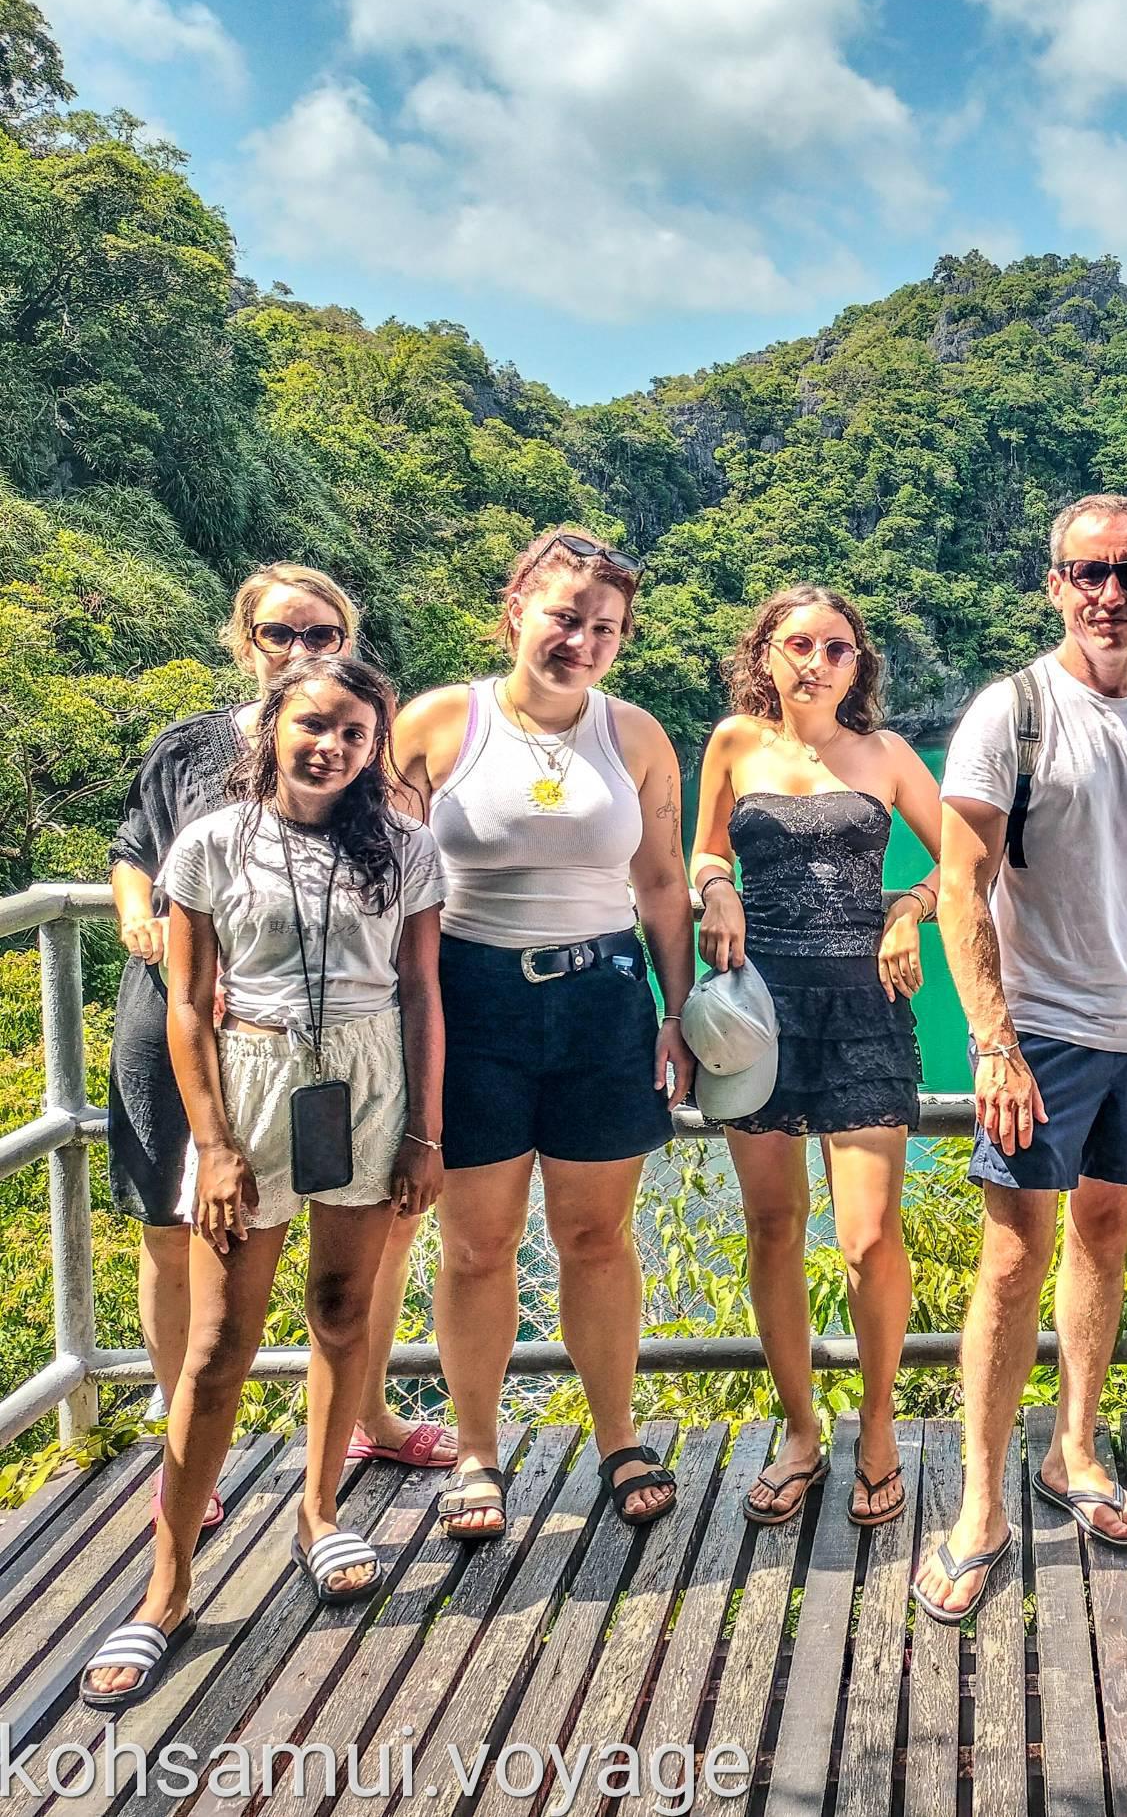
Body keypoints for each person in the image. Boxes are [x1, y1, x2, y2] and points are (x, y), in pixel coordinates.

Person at [82, 656, 447, 1709]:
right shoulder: (209, 844)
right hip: (251, 1084)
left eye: (354, 733)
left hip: (369, 1080)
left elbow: (421, 992)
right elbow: (189, 1004)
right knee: (215, 1346)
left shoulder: (406, 850)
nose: (331, 746)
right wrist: (216, 1143)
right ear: (274, 727)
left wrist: (425, 1132)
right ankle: (166, 1584)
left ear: (376, 748)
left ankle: (319, 1512)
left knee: (342, 1311)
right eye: (314, 725)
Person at [913, 492, 1127, 1623]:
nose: (1109, 594)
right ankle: (979, 1503)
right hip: (1042, 1033)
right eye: (1087, 572)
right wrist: (991, 1040)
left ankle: (1076, 1451)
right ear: (1052, 583)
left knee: (1106, 1231)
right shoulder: (1012, 712)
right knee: (1010, 1259)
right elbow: (961, 885)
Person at [394, 527, 697, 1540]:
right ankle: (477, 1449)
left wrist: (675, 1010)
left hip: (604, 994)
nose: (581, 640)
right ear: (517, 605)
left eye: (604, 627)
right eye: (564, 615)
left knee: (595, 1236)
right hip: (470, 1000)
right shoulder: (439, 722)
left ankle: (616, 1434)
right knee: (477, 1244)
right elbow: (382, 879)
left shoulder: (637, 736)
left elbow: (659, 883)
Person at [689, 586, 945, 1529]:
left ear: (857, 665)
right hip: (758, 1011)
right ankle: (801, 1428)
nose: (817, 663)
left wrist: (909, 910)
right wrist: (716, 888)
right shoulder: (731, 743)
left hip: (866, 1012)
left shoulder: (885, 756)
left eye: (837, 649)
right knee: (773, 1229)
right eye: (799, 645)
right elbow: (702, 850)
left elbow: (964, 859)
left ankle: (878, 1427)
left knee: (869, 1239)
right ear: (767, 654)